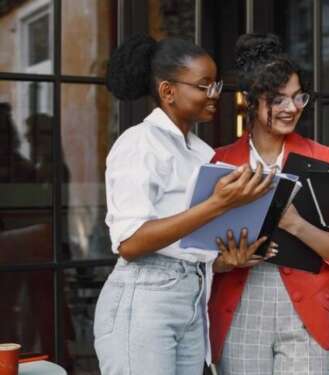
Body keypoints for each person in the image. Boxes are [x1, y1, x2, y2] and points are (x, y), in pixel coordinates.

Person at [93, 34, 274, 375]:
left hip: (192, 296)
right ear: (168, 91)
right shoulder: (139, 144)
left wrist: (223, 262)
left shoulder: (201, 153)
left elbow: (184, 244)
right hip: (144, 299)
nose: (214, 96)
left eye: (216, 85)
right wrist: (219, 204)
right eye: (204, 86)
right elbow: (131, 243)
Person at [208, 33, 329, 374]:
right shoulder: (219, 163)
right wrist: (226, 262)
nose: (292, 108)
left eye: (297, 97)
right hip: (241, 309)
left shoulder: (324, 158)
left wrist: (295, 224)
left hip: (308, 314)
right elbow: (201, 257)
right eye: (278, 100)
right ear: (251, 101)